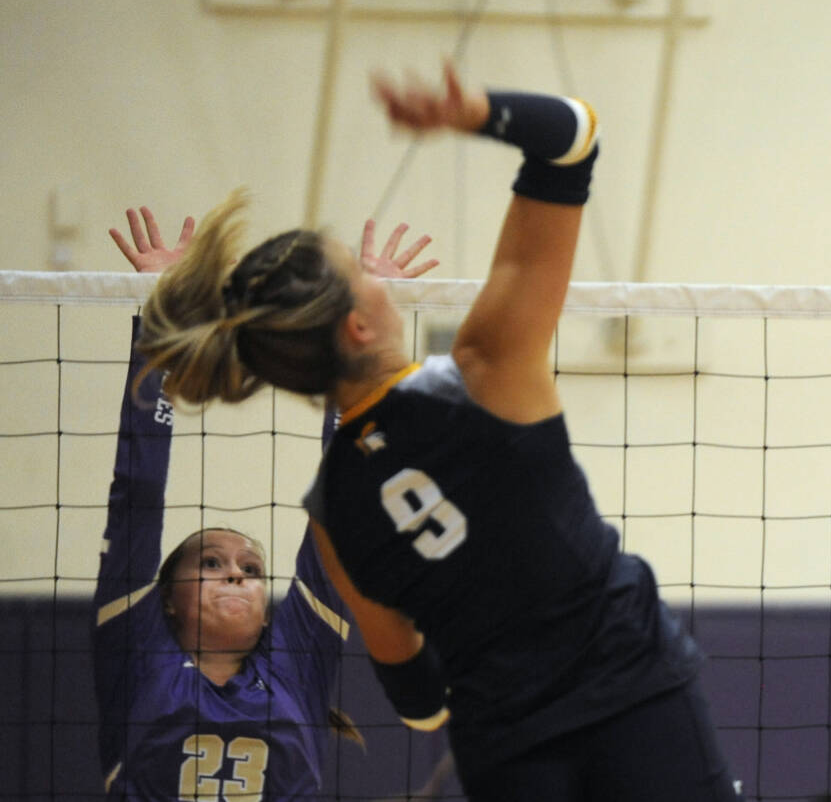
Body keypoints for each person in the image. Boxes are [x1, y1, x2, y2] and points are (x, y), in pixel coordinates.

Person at [131, 64, 739, 801]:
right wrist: (477, 112)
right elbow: (572, 139)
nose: (380, 279)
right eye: (363, 272)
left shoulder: (332, 512)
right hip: (636, 695)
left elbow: (417, 697)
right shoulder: (487, 370)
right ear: (359, 324)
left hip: (503, 743)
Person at [94, 206, 436, 798]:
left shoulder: (298, 656)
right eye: (211, 564)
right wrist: (160, 320)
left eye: (251, 570)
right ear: (166, 601)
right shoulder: (135, 644)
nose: (236, 576)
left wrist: (367, 336)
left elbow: (346, 494)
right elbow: (138, 493)